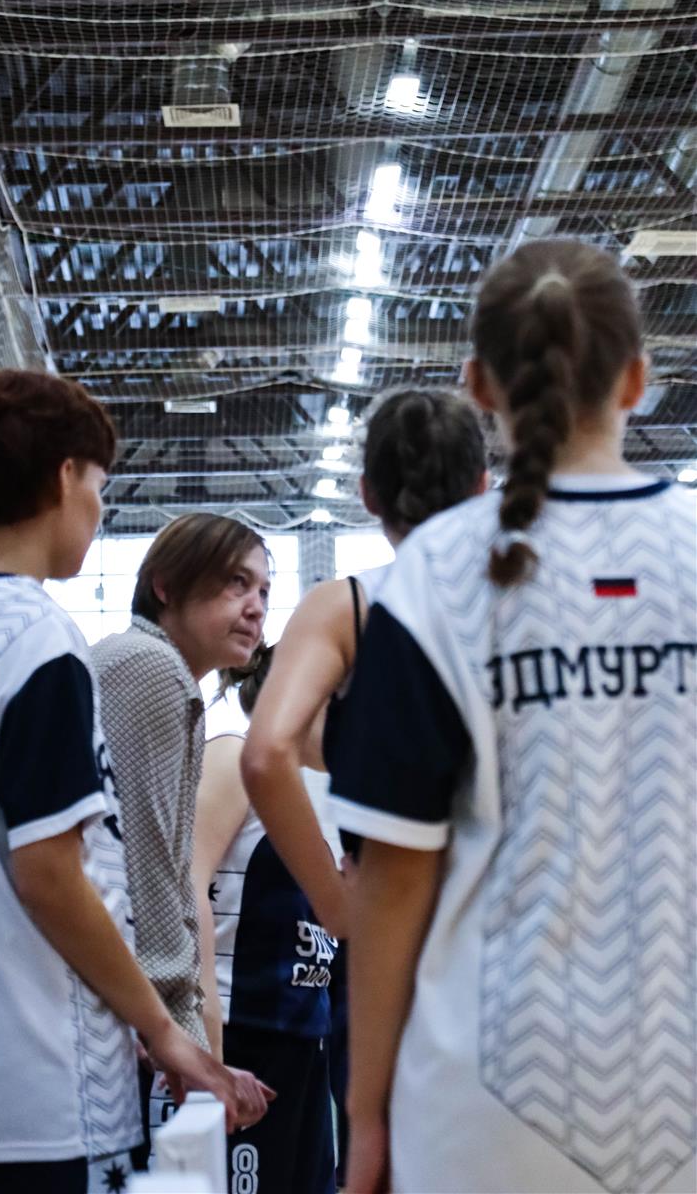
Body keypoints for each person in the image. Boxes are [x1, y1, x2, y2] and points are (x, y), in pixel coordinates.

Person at [329, 239, 697, 1194]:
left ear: (478, 385)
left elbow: (393, 877)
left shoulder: (435, 573)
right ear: (636, 380)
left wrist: (365, 1114)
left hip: (485, 1101)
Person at [0, 371, 268, 1194]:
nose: (98, 510)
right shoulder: (39, 642)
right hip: (47, 1085)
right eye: (97, 485)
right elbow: (53, 875)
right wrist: (164, 1031)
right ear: (64, 478)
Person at [242, 387, 486, 1183]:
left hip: (390, 940)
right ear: (483, 485)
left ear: (367, 495)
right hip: (513, 931)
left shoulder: (347, 604)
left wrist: (333, 901)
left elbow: (265, 752)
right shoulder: (533, 593)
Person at [90, 513, 273, 1162]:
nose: (256, 607)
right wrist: (189, 1041)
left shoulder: (159, 675)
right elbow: (153, 874)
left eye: (264, 591)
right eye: (235, 583)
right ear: (164, 586)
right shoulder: (149, 669)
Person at [192, 645, 341, 1194]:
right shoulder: (233, 753)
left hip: (302, 1042)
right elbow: (184, 884)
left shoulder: (298, 788)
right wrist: (208, 1056)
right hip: (243, 1040)